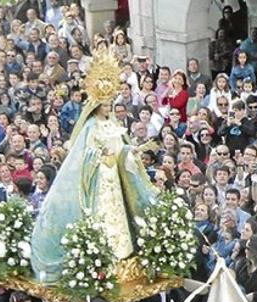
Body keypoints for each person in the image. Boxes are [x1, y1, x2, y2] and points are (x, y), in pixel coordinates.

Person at [31, 51, 161, 281]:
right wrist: (101, 154)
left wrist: (133, 152)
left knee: (119, 214)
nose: (107, 106)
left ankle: (123, 254)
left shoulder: (113, 122)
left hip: (114, 178)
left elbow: (123, 148)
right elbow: (85, 153)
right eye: (104, 103)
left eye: (110, 102)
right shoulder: (91, 126)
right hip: (99, 177)